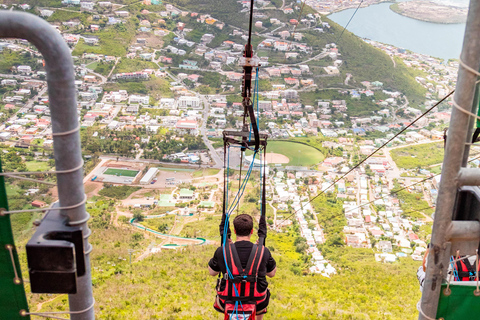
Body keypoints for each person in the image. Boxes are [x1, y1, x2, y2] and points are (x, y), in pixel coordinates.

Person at [208, 214, 276, 320]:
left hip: (226, 300)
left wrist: (223, 250)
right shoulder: (263, 251)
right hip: (258, 301)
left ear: (234, 231)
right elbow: (272, 274)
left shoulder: (222, 251)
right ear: (252, 231)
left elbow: (212, 272)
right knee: (262, 294)